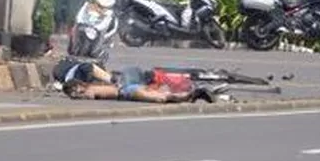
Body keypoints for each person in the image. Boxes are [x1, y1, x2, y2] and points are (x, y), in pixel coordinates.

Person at [61, 65, 225, 104]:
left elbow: (88, 95)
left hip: (127, 92)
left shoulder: (88, 91)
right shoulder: (90, 87)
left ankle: (191, 95)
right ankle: (192, 94)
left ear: (78, 87)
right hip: (127, 89)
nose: (74, 96)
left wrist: (77, 96)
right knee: (161, 94)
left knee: (161, 98)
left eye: (73, 93)